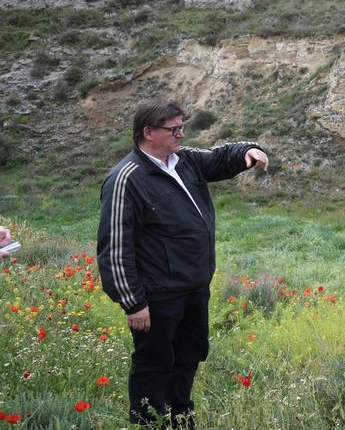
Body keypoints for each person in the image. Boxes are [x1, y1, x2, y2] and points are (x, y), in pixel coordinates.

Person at [97, 100, 269, 427]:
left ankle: (180, 421)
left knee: (187, 360)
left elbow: (219, 158)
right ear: (148, 133)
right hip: (158, 296)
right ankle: (150, 424)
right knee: (154, 366)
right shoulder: (126, 179)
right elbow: (114, 249)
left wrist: (248, 151)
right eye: (173, 129)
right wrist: (133, 303)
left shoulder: (183, 160)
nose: (181, 134)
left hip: (193, 289)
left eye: (181, 127)